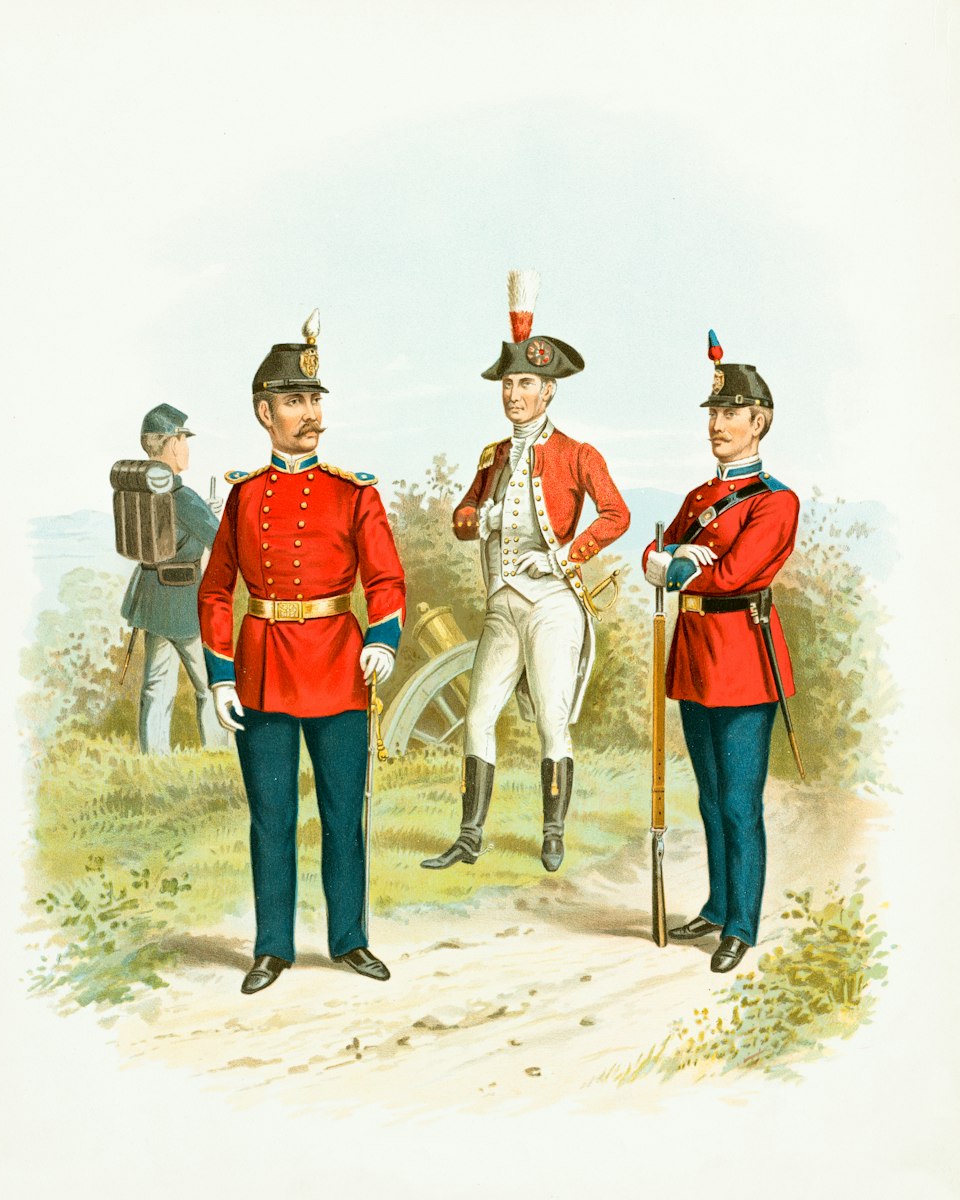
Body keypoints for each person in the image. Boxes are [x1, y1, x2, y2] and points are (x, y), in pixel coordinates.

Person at [198, 311, 406, 995]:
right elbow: (217, 592)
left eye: (316, 400)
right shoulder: (244, 495)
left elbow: (385, 580)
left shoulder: (355, 492)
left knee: (344, 815)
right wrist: (222, 677)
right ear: (265, 412)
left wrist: (381, 638)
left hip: (340, 668)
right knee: (272, 819)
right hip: (261, 672)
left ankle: (348, 940)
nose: (311, 414)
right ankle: (272, 948)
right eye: (295, 401)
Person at [422, 271, 630, 874]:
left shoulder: (577, 455)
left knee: (551, 719)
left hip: (553, 605)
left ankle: (553, 831)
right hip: (503, 606)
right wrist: (477, 517)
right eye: (509, 383)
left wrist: (567, 555)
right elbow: (461, 517)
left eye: (527, 384)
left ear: (549, 392)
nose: (514, 395)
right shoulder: (492, 457)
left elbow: (616, 515)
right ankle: (468, 836)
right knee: (478, 717)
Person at [642, 332, 799, 973]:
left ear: (759, 422)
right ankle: (716, 901)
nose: (717, 425)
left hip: (743, 663)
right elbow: (657, 554)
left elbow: (735, 575)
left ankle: (741, 923)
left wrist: (675, 567)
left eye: (730, 414)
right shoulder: (699, 498)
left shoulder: (775, 502)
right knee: (708, 799)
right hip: (695, 657)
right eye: (712, 414)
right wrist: (669, 559)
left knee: (739, 803)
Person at [120, 403, 229, 754]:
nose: (186, 448)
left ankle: (154, 759)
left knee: (155, 685)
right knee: (211, 684)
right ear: (169, 444)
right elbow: (221, 541)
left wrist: (202, 519)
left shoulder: (141, 487)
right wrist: (216, 517)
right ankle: (218, 754)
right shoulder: (182, 496)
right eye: (183, 439)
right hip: (183, 604)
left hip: (152, 599)